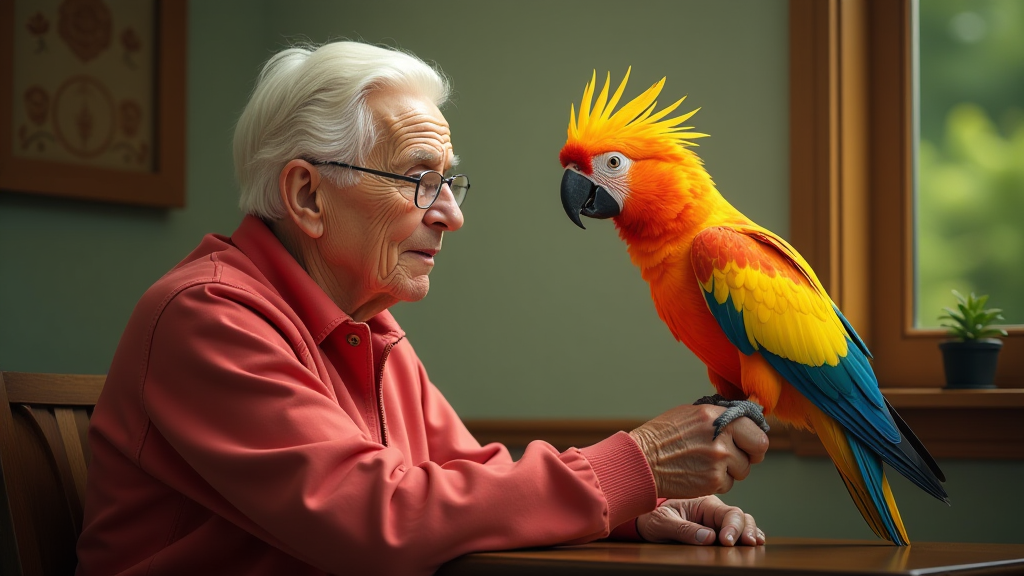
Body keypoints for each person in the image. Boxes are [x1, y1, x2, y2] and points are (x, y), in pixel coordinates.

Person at [76, 41, 769, 576]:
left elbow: (466, 489)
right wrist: (635, 464)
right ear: (308, 197)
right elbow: (375, 518)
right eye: (419, 180)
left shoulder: (368, 325)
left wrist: (636, 511)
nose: (452, 216)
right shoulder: (207, 316)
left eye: (451, 182)